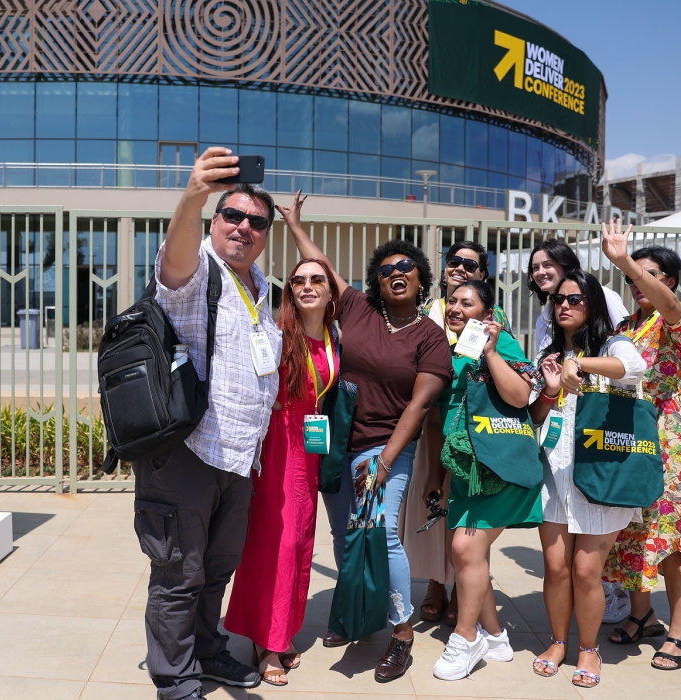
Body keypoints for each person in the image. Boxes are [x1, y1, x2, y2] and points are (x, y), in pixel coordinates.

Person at [280, 190, 452, 683]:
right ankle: (356, 613)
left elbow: (419, 406)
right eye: (385, 268)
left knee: (381, 536)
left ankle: (401, 634)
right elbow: (321, 267)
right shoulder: (356, 307)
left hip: (385, 446)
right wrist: (294, 223)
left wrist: (384, 463)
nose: (395, 272)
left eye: (406, 266)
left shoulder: (429, 336)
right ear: (376, 279)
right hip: (336, 441)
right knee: (345, 535)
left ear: (421, 279)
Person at [135, 148, 282, 699]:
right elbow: (172, 259)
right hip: (187, 454)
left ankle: (205, 651)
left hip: (239, 456)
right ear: (215, 222)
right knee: (177, 574)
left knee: (216, 569)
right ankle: (174, 681)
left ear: (266, 234)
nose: (244, 227)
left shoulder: (260, 287)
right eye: (233, 217)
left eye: (257, 222)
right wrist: (193, 193)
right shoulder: (197, 272)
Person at [527, 270, 647, 689]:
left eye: (575, 299)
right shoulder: (546, 350)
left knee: (585, 571)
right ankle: (559, 641)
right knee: (556, 568)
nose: (563, 305)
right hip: (554, 473)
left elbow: (633, 368)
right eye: (558, 299)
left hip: (603, 473)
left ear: (593, 304)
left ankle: (588, 649)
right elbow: (536, 417)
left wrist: (580, 362)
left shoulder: (613, 343)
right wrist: (550, 387)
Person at [224, 257, 340, 687]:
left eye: (317, 280)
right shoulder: (276, 334)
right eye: (298, 280)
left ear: (330, 291)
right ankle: (266, 642)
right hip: (276, 449)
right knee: (278, 542)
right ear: (289, 290)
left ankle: (281, 630)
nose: (307, 286)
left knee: (300, 543)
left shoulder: (334, 336)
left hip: (309, 453)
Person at [595, 223, 681, 671]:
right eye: (632, 275)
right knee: (633, 528)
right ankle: (644, 615)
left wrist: (623, 261)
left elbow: (670, 305)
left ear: (667, 279)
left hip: (670, 438)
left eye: (648, 273)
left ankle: (679, 630)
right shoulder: (625, 325)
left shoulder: (679, 316)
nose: (636, 280)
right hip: (631, 437)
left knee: (673, 535)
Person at [430, 280, 544, 680]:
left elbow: (520, 396)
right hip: (468, 471)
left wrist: (493, 350)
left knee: (464, 548)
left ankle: (465, 637)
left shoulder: (502, 342)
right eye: (452, 302)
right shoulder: (454, 349)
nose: (456, 309)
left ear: (487, 311)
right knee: (467, 555)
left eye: (467, 302)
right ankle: (496, 637)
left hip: (500, 467)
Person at [405, 240, 513, 626]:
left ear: (482, 274)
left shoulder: (493, 318)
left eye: (471, 264)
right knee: (437, 506)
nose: (461, 268)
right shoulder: (429, 310)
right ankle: (437, 583)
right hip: (432, 427)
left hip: (476, 436)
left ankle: (460, 591)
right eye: (455, 261)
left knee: (469, 518)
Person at [528, 238, 628, 355]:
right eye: (535, 268)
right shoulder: (542, 321)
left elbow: (625, 336)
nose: (540, 272)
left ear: (566, 265)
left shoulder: (603, 294)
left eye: (548, 265)